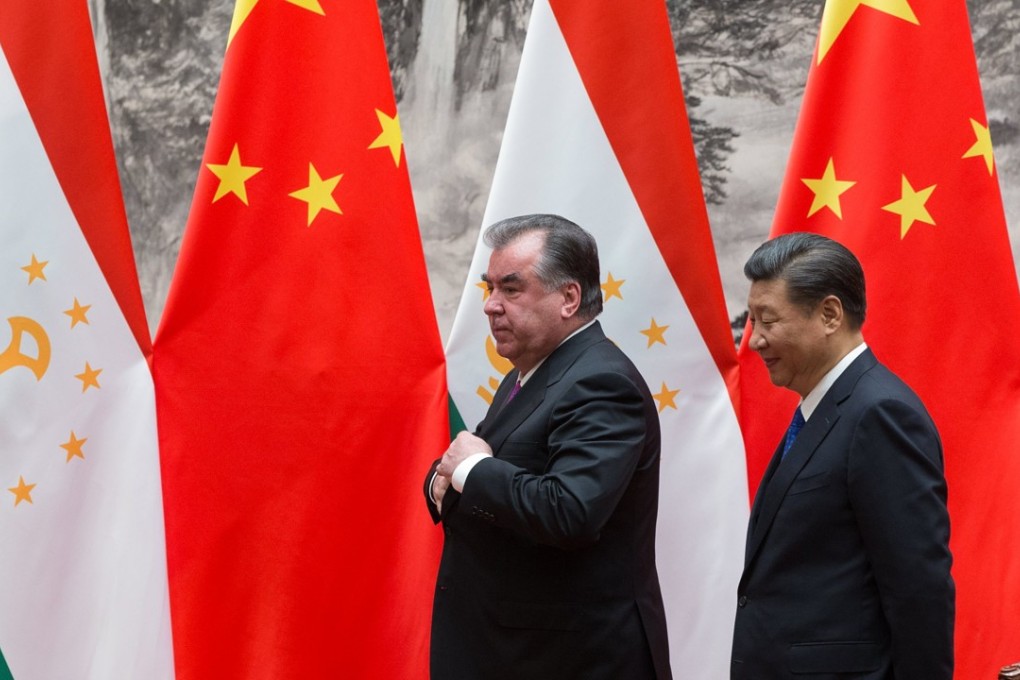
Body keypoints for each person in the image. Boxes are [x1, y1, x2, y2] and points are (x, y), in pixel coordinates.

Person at [425, 214, 672, 679]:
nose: (491, 306)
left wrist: (469, 472)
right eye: (490, 288)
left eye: (511, 289)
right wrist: (449, 477)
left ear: (569, 298)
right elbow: (473, 466)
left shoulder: (600, 381)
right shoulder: (529, 373)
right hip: (516, 651)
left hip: (573, 659)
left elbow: (569, 511)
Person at [732, 232, 954, 678]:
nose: (754, 340)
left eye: (768, 320)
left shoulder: (880, 413)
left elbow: (918, 588)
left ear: (830, 314)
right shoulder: (823, 408)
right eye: (751, 320)